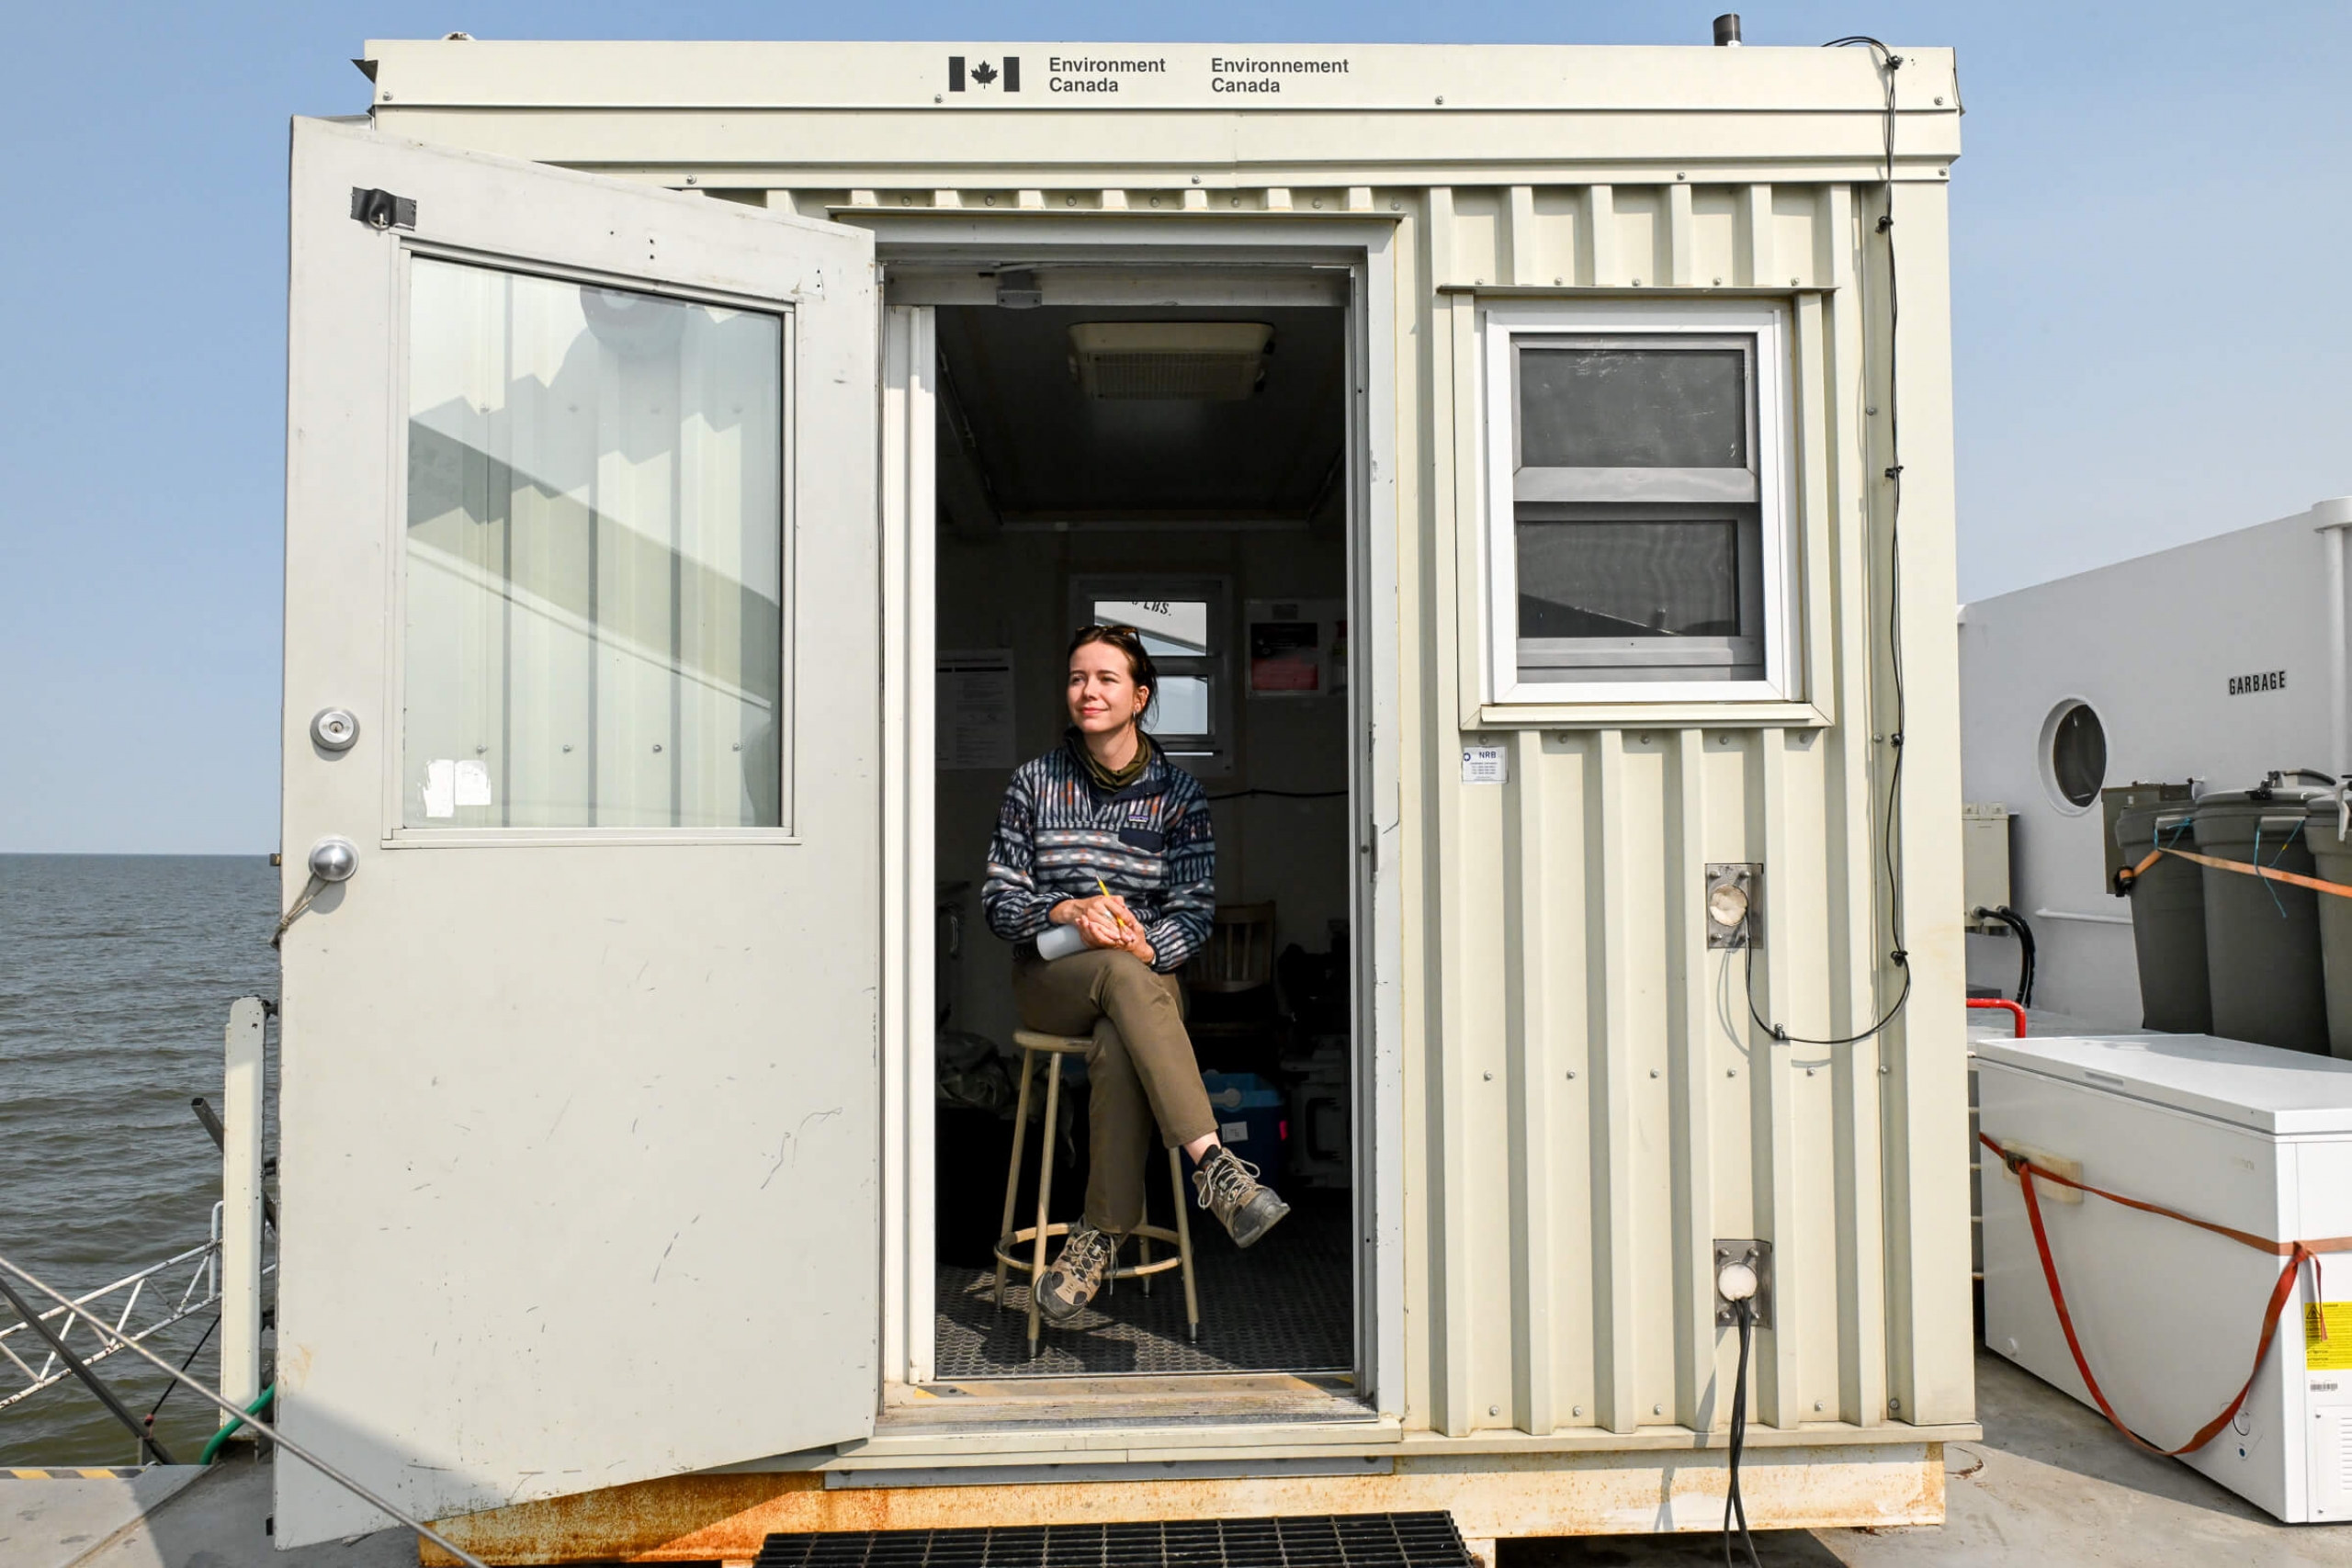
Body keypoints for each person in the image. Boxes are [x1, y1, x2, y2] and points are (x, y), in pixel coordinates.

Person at [982, 624, 1290, 1323]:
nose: (1088, 690)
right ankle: (1214, 1165)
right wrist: (1069, 908)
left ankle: (1094, 1239)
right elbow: (999, 902)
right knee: (1119, 978)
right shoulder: (1033, 783)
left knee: (1124, 1022)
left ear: (1140, 695)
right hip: (1050, 977)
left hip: (1141, 983)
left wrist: (1143, 942)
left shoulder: (1178, 795)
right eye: (1076, 678)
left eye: (1106, 678)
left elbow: (1194, 913)